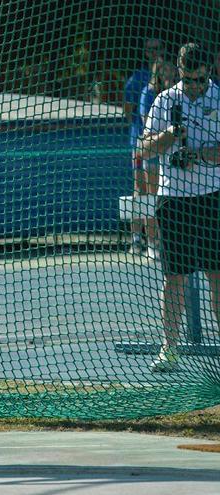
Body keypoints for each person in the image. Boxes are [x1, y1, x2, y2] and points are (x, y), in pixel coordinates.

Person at [138, 43, 220, 372]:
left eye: (201, 80)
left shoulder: (219, 98)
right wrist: (169, 137)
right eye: (189, 80)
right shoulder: (165, 100)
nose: (196, 87)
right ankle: (170, 348)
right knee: (175, 278)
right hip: (174, 200)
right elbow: (144, 148)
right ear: (179, 70)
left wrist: (200, 155)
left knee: (217, 275)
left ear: (209, 72)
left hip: (213, 197)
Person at [125, 38, 166, 255]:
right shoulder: (137, 82)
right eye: (150, 50)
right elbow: (130, 111)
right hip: (141, 144)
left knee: (156, 192)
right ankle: (138, 239)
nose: (154, 53)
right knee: (141, 191)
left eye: (158, 49)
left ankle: (154, 240)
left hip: (162, 147)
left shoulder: (173, 89)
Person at [137, 59, 178, 260]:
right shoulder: (149, 93)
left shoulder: (179, 93)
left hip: (175, 155)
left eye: (170, 68)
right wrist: (166, 137)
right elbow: (148, 127)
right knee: (152, 198)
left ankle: (169, 241)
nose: (167, 73)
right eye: (163, 70)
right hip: (154, 153)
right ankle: (152, 242)